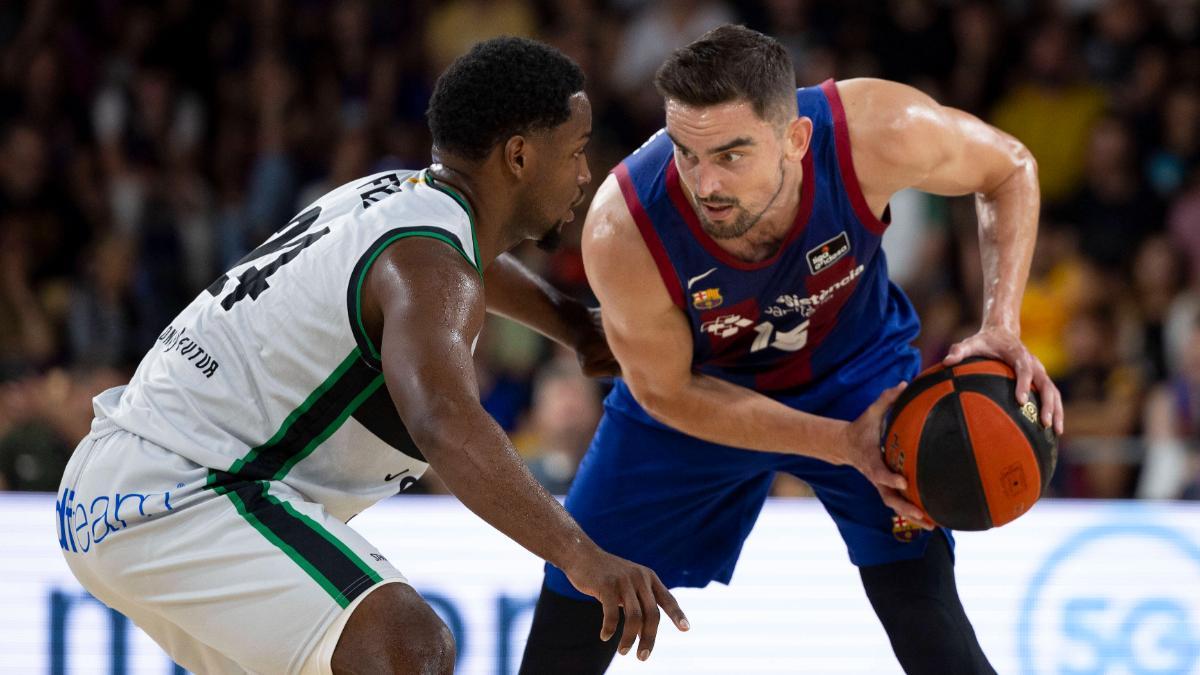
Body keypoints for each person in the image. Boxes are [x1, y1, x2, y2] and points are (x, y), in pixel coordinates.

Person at [55, 37, 687, 675]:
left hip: (118, 481)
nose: (586, 173)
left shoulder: (402, 198)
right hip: (187, 490)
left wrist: (575, 325)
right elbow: (444, 423)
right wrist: (578, 553)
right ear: (519, 155)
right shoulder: (431, 269)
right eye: (576, 151)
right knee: (405, 645)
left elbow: (466, 265)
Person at [520, 25, 1063, 674]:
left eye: (731, 154)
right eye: (687, 154)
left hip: (856, 374)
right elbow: (667, 392)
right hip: (700, 391)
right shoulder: (623, 226)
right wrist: (839, 443)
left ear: (796, 139)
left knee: (924, 606)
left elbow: (1010, 168)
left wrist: (1001, 322)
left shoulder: (876, 131)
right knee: (579, 587)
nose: (704, 182)